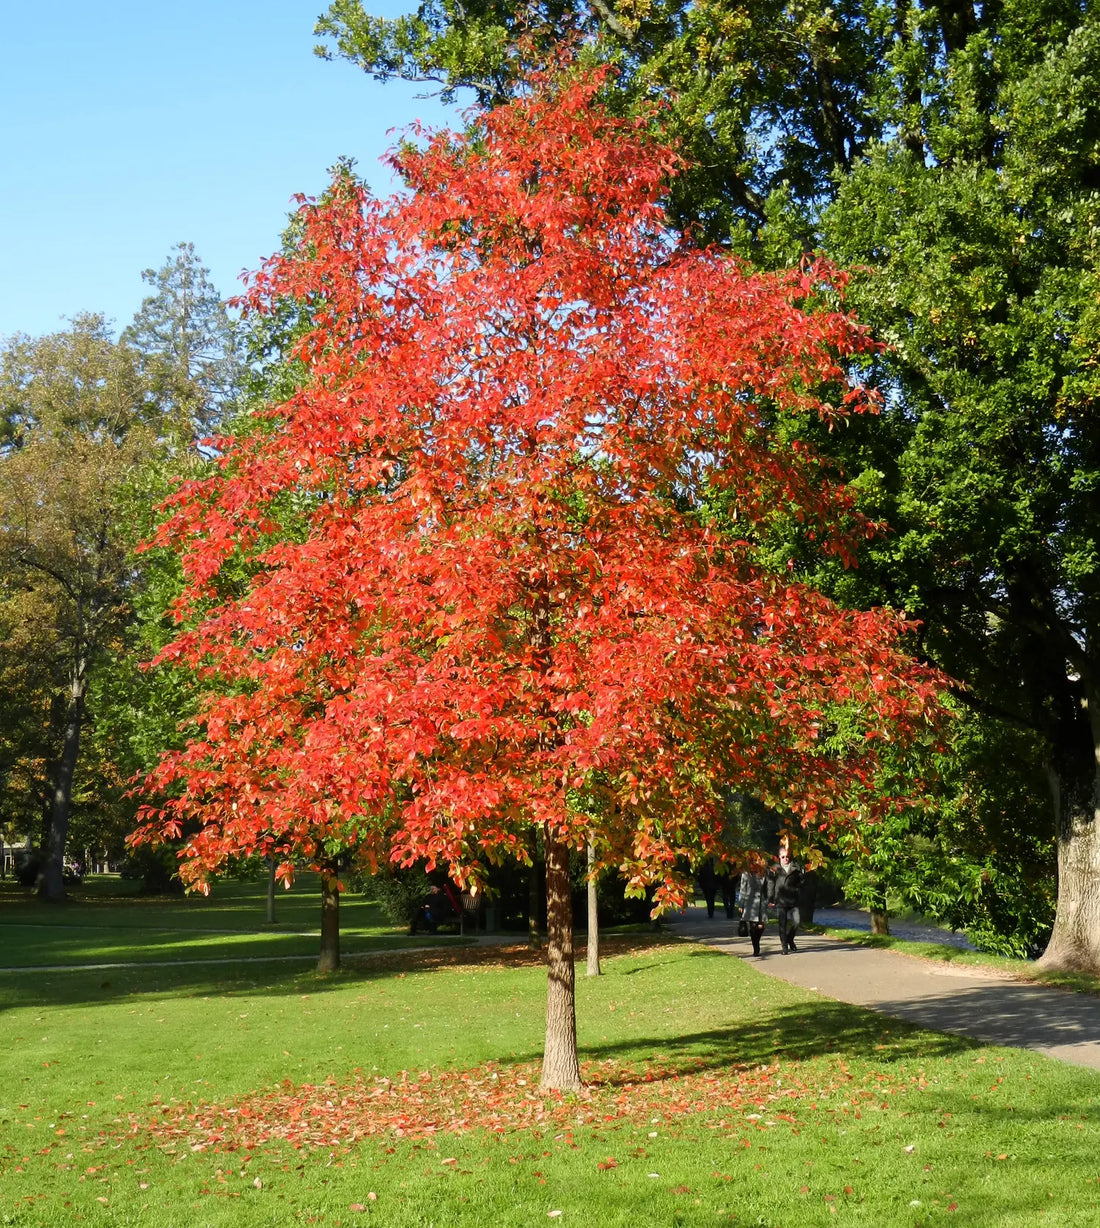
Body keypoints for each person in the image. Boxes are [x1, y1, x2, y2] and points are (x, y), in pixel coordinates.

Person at [768, 837, 804, 954]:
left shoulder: (795, 867)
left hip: (793, 899)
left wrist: (799, 885)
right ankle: (784, 946)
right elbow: (770, 884)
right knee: (782, 924)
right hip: (781, 900)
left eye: (787, 856)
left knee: (797, 921)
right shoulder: (775, 869)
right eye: (783, 857)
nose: (785, 859)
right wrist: (770, 898)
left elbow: (801, 881)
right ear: (779, 857)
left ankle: (790, 939)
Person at [737, 867, 768, 956]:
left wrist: (769, 899)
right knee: (753, 926)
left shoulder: (763, 872)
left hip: (761, 903)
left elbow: (767, 887)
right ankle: (756, 947)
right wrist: (741, 904)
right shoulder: (746, 874)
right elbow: (742, 889)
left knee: (761, 927)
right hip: (750, 903)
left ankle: (756, 941)